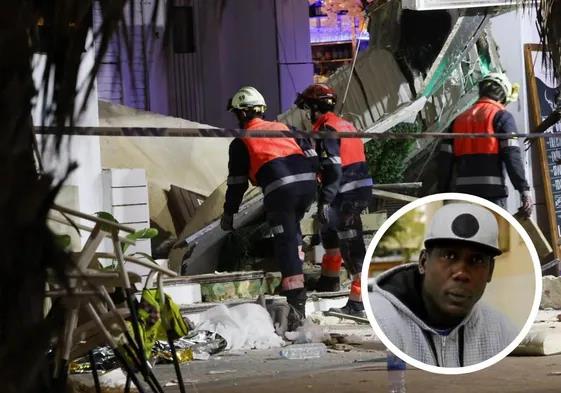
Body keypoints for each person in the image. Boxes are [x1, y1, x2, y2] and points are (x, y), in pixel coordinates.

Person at [370, 203, 518, 367]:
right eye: (449, 256)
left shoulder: (500, 330)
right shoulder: (382, 321)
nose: (461, 273)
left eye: (476, 260)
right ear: (424, 262)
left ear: (490, 271)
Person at [221, 86, 317, 328]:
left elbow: (237, 184)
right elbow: (313, 155)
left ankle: (296, 304)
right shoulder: (286, 129)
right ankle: (292, 279)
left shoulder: (241, 142)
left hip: (281, 192)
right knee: (292, 232)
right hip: (308, 187)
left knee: (284, 242)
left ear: (241, 114)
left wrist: (229, 213)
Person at [295, 83, 373, 317]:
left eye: (307, 108)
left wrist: (325, 201)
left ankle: (359, 303)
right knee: (330, 233)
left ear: (314, 108)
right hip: (353, 190)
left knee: (351, 247)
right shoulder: (344, 124)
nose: (307, 114)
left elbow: (334, 169)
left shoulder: (327, 130)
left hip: (345, 194)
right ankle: (329, 280)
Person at [437, 72, 533, 217]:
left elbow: (444, 163)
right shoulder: (502, 117)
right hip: (492, 196)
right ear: (502, 96)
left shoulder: (458, 120)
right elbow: (511, 155)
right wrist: (524, 191)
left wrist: (442, 196)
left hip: (463, 195)